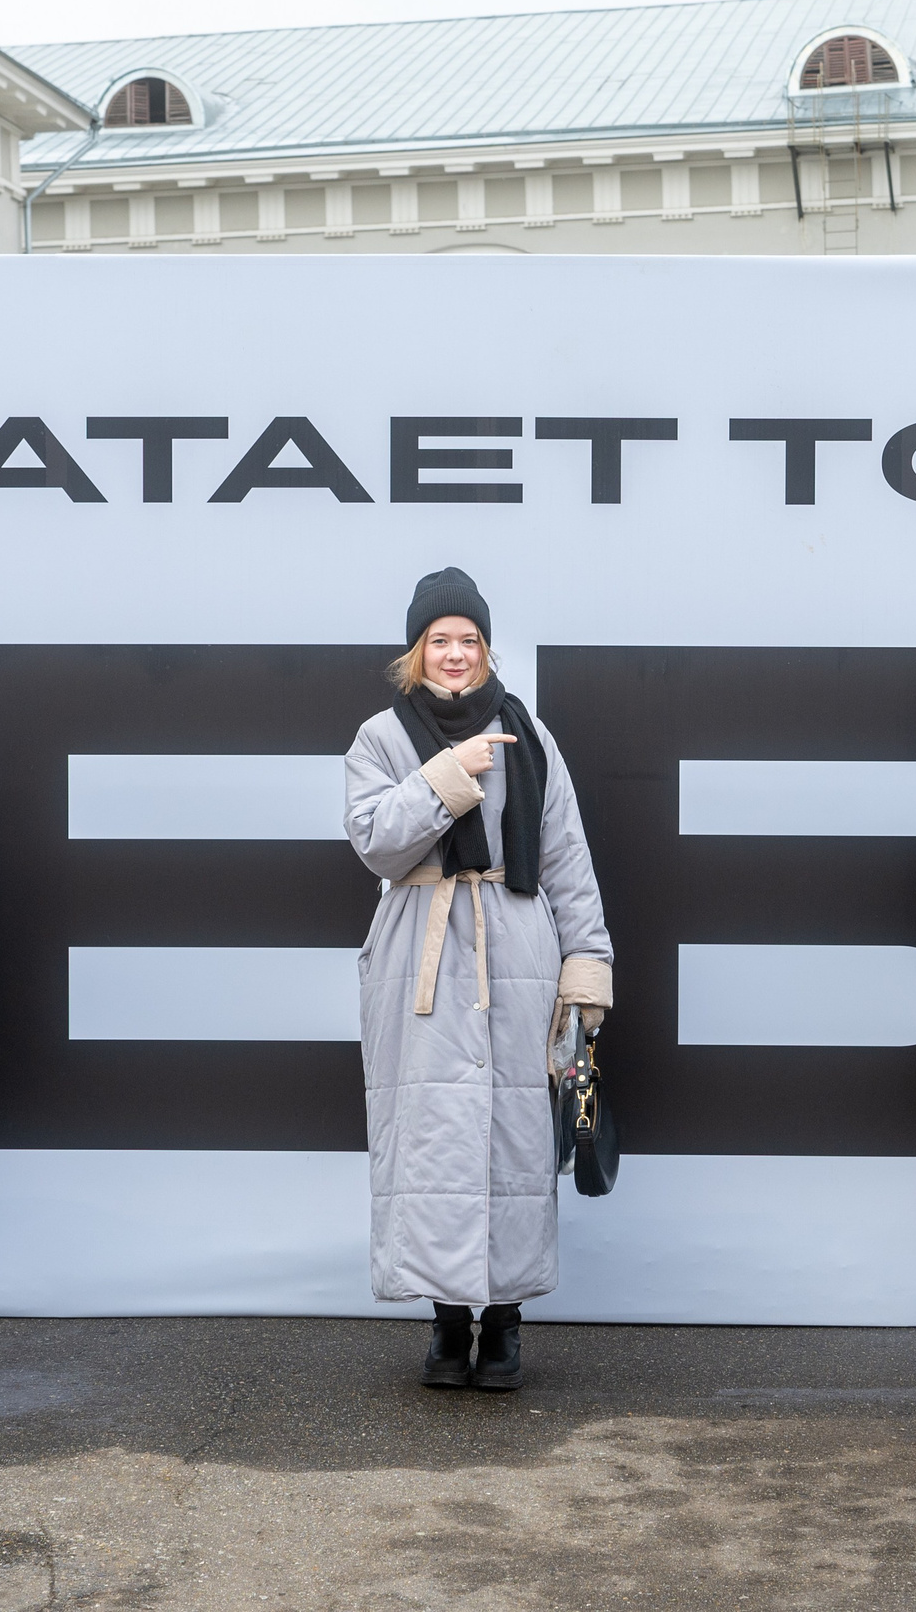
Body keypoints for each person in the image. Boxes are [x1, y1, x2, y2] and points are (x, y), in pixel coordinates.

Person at [343, 567, 612, 1391]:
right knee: (431, 1134)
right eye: (439, 641)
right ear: (415, 651)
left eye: (468, 640)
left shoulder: (532, 735)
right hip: (419, 949)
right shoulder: (381, 737)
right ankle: (445, 1320)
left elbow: (566, 855)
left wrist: (586, 967)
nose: (454, 655)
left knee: (512, 1135)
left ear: (485, 648)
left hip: (518, 945)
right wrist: (447, 773)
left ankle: (503, 1324)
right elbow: (376, 843)